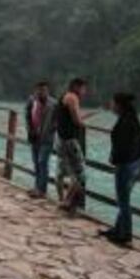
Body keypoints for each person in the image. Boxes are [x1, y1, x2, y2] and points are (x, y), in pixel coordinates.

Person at [100, 92, 140, 245]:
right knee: (123, 199)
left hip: (125, 165)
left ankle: (126, 235)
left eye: (113, 103)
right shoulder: (131, 119)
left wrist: (115, 160)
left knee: (123, 201)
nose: (111, 105)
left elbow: (124, 147)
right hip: (133, 164)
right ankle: (118, 229)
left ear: (119, 105)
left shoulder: (126, 122)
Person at [56, 77, 96, 213]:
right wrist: (84, 124)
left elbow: (72, 117)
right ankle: (68, 201)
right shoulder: (73, 97)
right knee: (81, 174)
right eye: (84, 88)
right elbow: (76, 120)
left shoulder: (64, 96)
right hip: (70, 140)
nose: (85, 91)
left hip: (61, 139)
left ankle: (63, 199)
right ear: (77, 87)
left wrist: (87, 116)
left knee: (65, 171)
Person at [24, 80, 58, 198]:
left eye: (43, 90)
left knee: (42, 162)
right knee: (36, 163)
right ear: (35, 90)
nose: (41, 92)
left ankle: (42, 190)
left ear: (47, 91)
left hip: (47, 138)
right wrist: (30, 129)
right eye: (39, 90)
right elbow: (27, 115)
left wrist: (52, 129)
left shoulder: (53, 104)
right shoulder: (32, 101)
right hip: (34, 137)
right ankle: (37, 187)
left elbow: (58, 119)